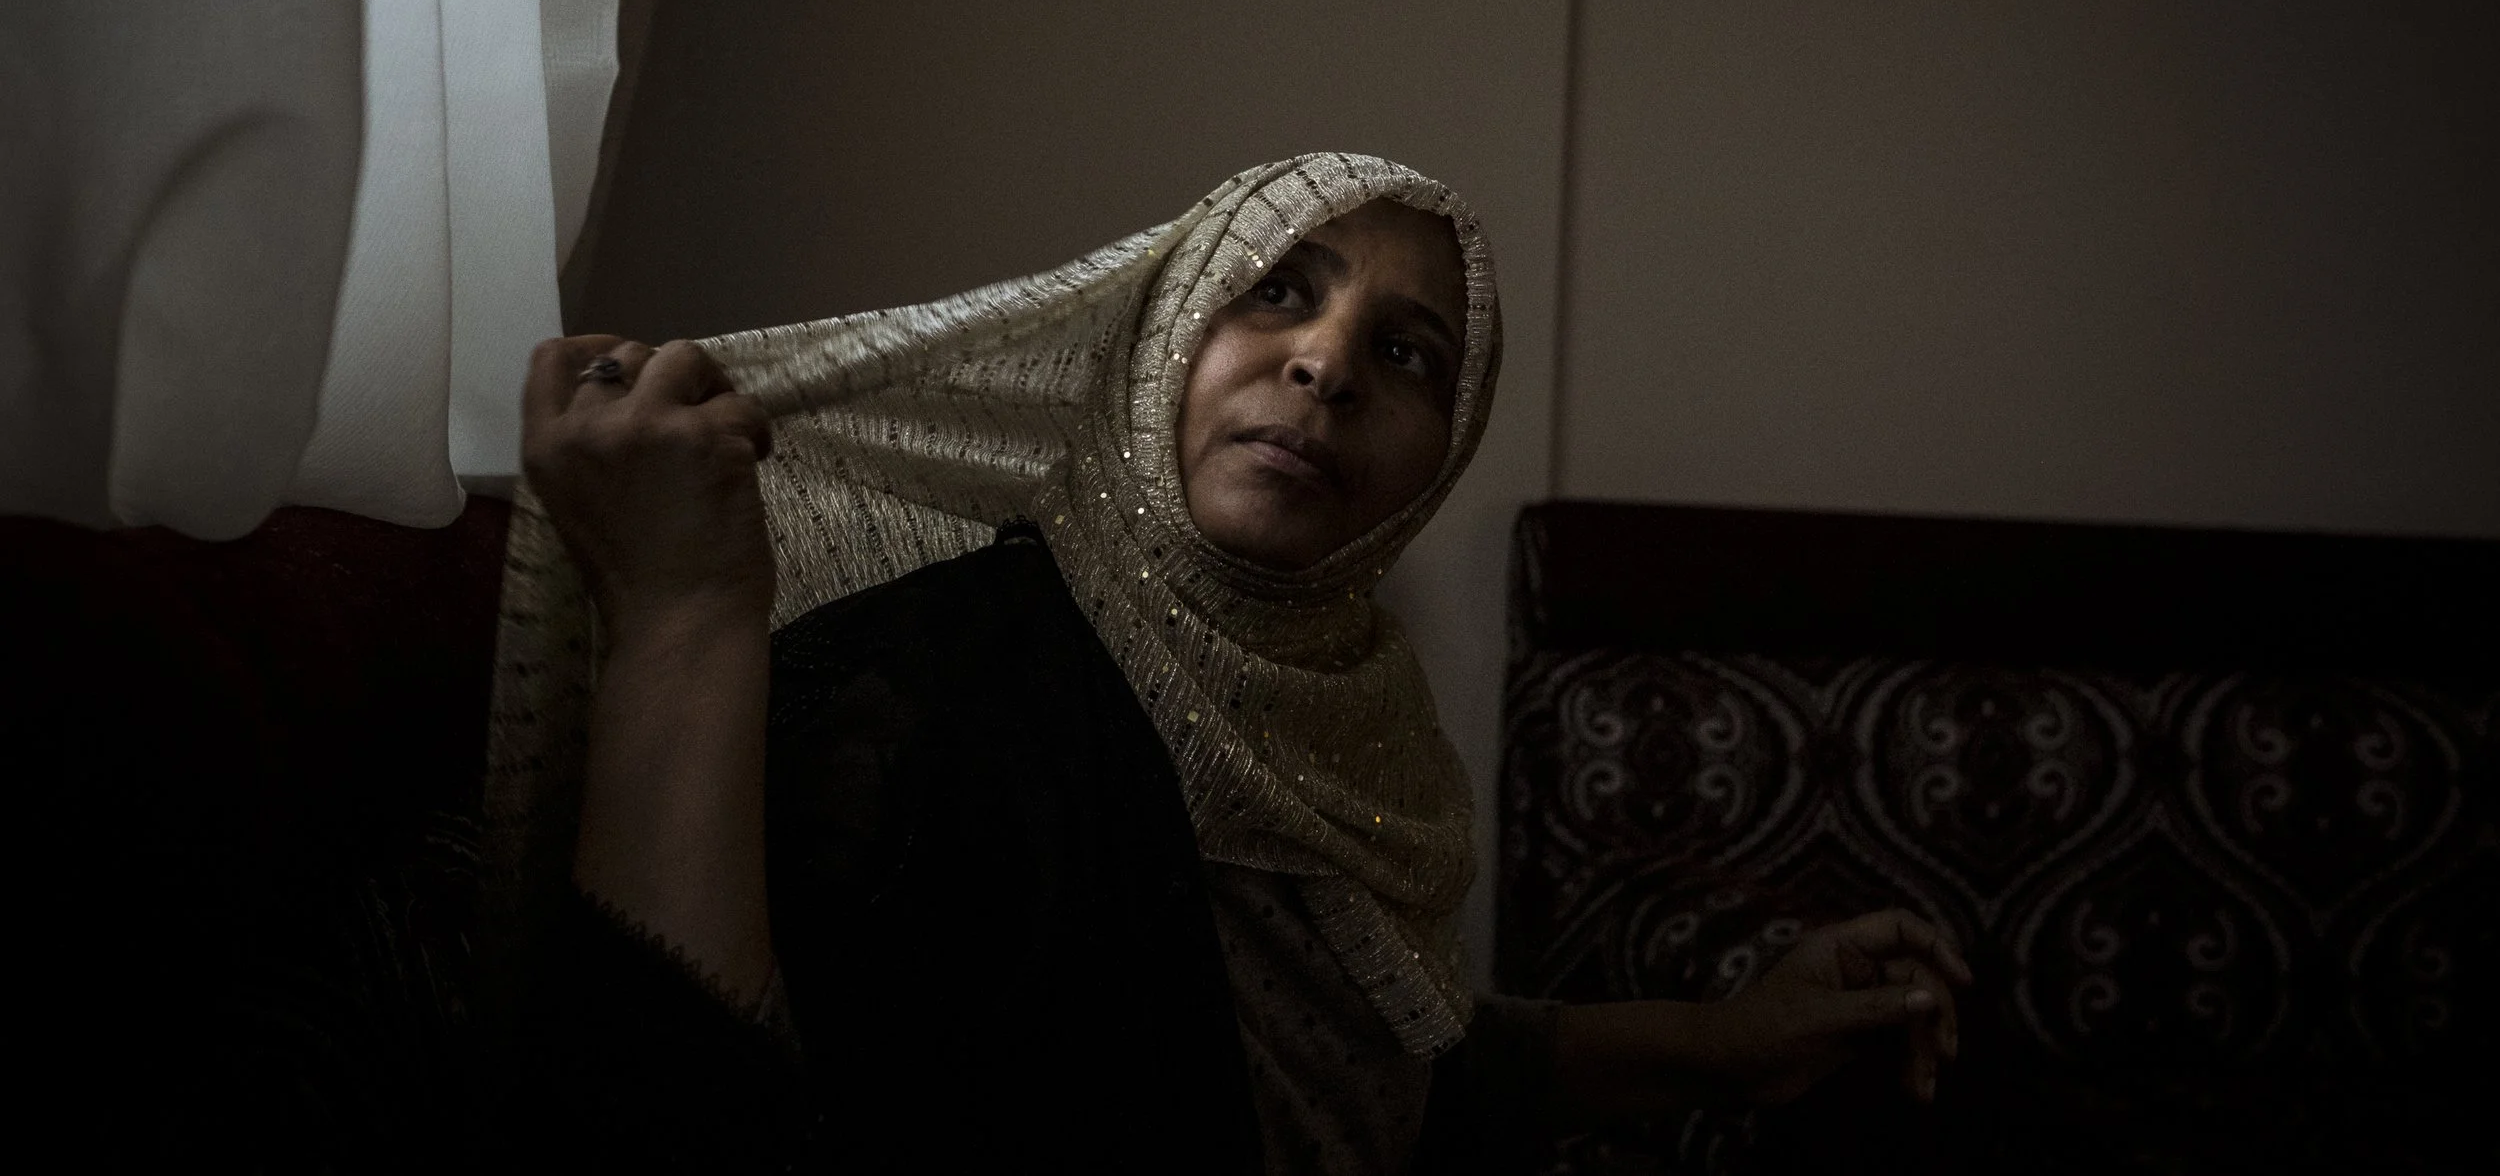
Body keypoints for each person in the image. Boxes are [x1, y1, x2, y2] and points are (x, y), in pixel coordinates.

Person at [500, 154, 1967, 1172]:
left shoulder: (1366, 733)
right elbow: (677, 1121)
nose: (1326, 363)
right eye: (1276, 293)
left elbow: (1393, 1078)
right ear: (1158, 348)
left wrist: (1733, 1039)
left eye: (1408, 355)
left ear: (1436, 463)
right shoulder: (927, 686)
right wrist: (684, 611)